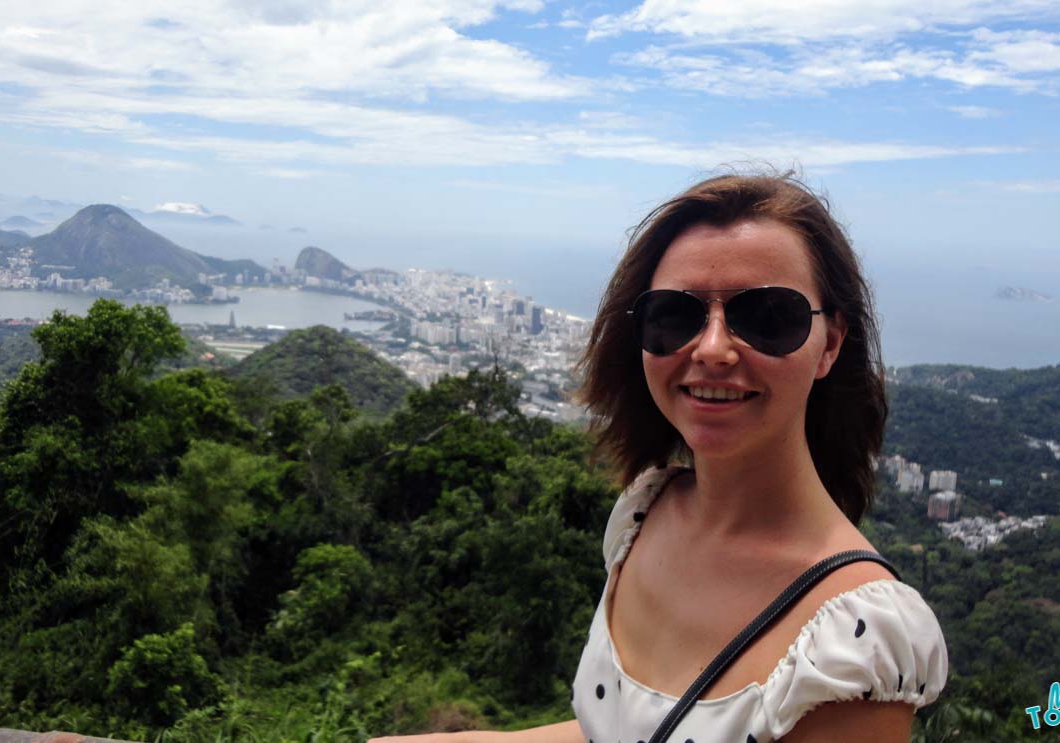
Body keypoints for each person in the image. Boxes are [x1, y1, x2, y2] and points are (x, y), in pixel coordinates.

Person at [370, 171, 949, 742]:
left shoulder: (856, 636)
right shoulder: (644, 513)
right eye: (675, 315)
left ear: (830, 343)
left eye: (769, 318)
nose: (714, 348)